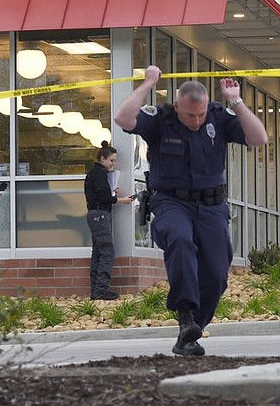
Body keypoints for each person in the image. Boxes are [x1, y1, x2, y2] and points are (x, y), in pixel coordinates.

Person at [114, 66, 267, 356]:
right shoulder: (161, 120)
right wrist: (148, 83)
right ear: (177, 107)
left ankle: (191, 331)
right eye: (189, 115)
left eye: (200, 115)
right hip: (171, 202)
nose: (196, 121)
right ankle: (185, 314)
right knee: (181, 240)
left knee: (217, 270)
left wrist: (236, 101)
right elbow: (123, 117)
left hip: (211, 206)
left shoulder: (219, 117)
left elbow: (259, 139)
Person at [84, 141, 134, 300]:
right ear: (102, 159)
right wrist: (121, 200)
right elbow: (103, 197)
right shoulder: (99, 174)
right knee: (107, 251)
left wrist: (112, 194)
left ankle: (95, 289)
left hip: (94, 214)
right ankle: (101, 289)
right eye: (111, 160)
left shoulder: (93, 174)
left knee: (98, 252)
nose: (113, 164)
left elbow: (100, 195)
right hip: (100, 214)